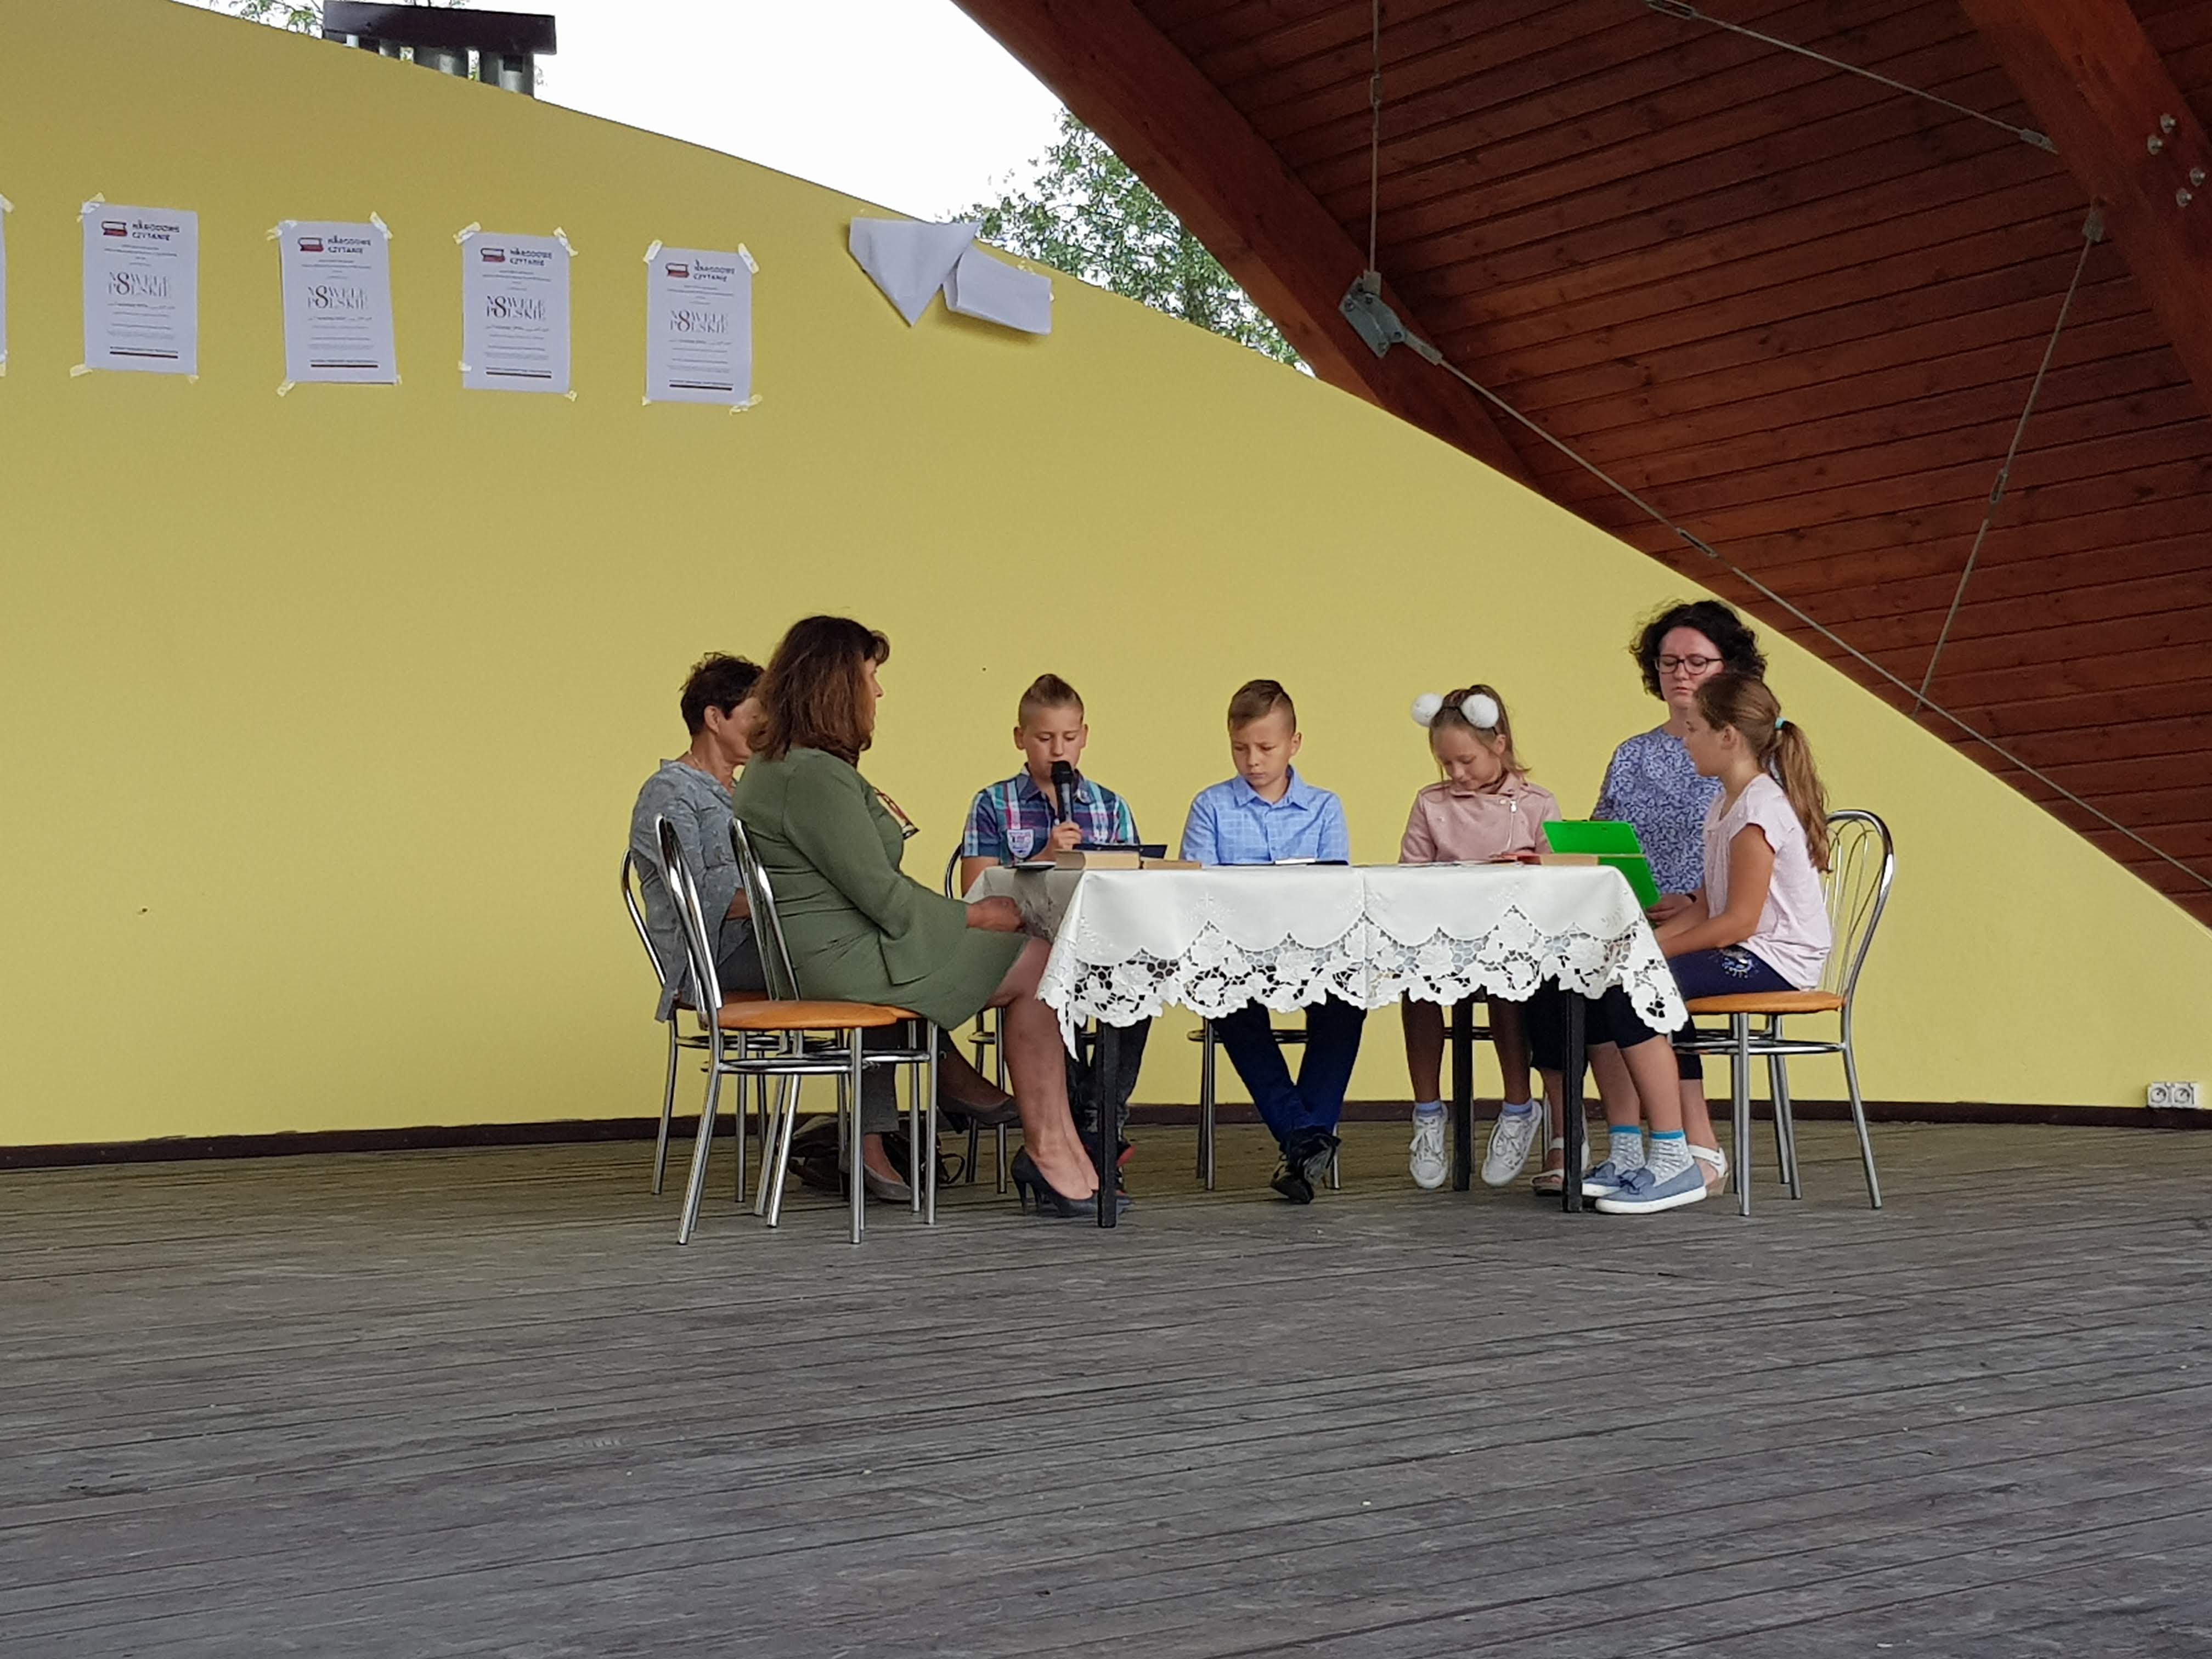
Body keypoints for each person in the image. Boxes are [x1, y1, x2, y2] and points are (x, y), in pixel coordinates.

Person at [730, 616, 1112, 1217]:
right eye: (870, 677)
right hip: (843, 962)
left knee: (1034, 957)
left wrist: (968, 917)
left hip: (824, 951)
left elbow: (867, 889)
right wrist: (974, 916)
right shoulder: (813, 777)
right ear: (837, 687)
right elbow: (882, 895)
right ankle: (1050, 1149)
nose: (878, 692)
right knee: (1039, 963)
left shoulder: (781, 766)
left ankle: (1051, 1143)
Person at [628, 652, 1011, 1206]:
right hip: (715, 957)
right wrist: (812, 898)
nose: (767, 727)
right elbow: (703, 897)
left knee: (867, 950)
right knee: (867, 955)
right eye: (755, 716)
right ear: (714, 718)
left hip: (772, 943)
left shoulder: (751, 787)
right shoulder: (670, 792)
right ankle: (908, 1113)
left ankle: (883, 1133)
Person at [1532, 673, 1832, 1215]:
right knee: (1602, 977)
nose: (1684, 740)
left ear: (1728, 737)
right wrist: (1638, 940)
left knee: (1636, 986)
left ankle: (1674, 1158)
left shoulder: (1758, 810)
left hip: (1775, 959)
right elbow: (1711, 901)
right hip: (1743, 948)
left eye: (1693, 730)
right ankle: (1627, 1151)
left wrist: (1652, 953)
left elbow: (1738, 922)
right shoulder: (1726, 804)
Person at [1542, 599, 1770, 1197]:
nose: (1680, 674)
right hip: (1633, 914)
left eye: (1697, 662)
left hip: (1713, 924)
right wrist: (1550, 856)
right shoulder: (1633, 753)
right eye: (1669, 662)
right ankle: (1624, 1145)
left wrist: (1689, 902)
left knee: (1640, 978)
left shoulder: (1747, 755)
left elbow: (1758, 870)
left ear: (1729, 668)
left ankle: (1693, 1145)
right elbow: (1601, 837)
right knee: (1576, 975)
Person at [1179, 679, 1365, 1204]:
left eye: (1265, 747)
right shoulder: (1211, 806)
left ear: (1294, 744)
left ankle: (1301, 1141)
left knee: (1348, 1001)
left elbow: (1336, 891)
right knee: (1228, 1003)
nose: (1253, 760)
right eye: (1240, 748)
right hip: (1235, 952)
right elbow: (1197, 892)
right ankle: (1304, 1137)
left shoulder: (1325, 807)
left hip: (1311, 950)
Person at [959, 673, 1150, 1175]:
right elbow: (975, 892)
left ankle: (1099, 1119)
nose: (1058, 751)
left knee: (1141, 982)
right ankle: (1087, 1133)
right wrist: (1043, 856)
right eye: (1045, 738)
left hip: (1098, 946)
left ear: (1085, 736)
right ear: (1020, 738)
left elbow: (1134, 884)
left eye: (1068, 737)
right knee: (1046, 985)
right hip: (1026, 952)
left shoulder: (1110, 806)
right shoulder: (992, 804)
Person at [1397, 685, 1561, 1191]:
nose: (1457, 774)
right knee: (1417, 984)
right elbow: (1409, 873)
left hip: (1511, 940)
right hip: (1445, 935)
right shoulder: (1431, 803)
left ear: (1499, 745)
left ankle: (1518, 1106)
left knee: (1507, 985)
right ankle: (1428, 1113)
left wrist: (1530, 865)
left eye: (1466, 761)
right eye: (1446, 764)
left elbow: (1559, 878)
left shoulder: (1536, 804)